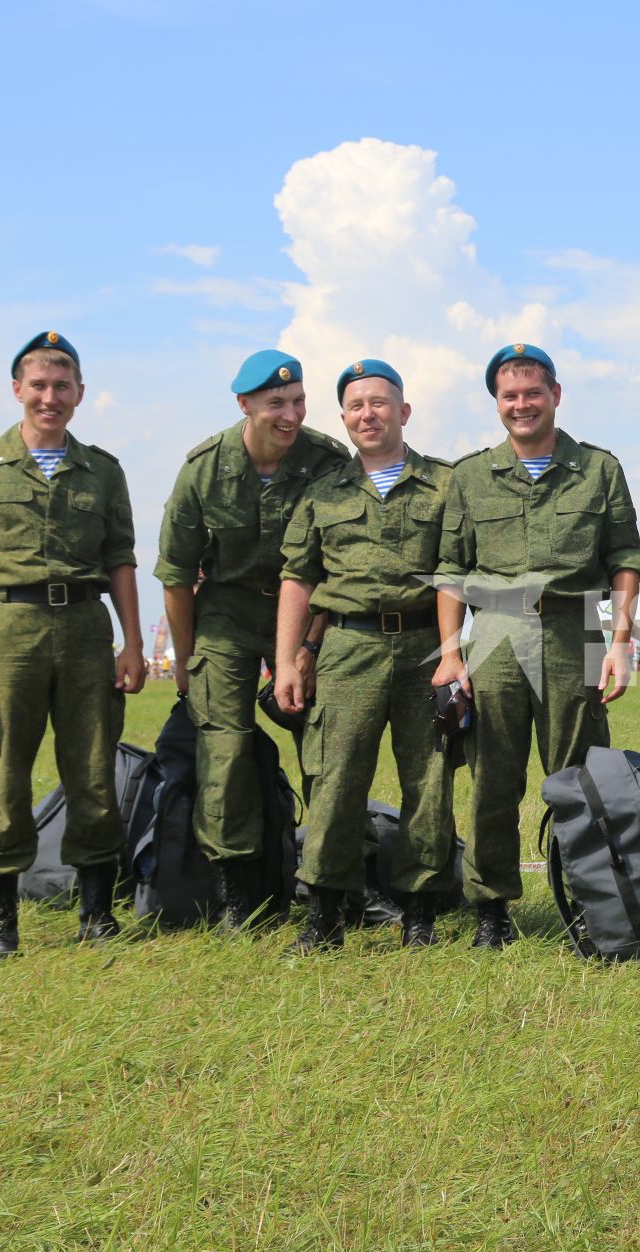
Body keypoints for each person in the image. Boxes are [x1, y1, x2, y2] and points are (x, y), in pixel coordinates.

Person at [0, 331, 147, 959]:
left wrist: (133, 643)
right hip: (6, 631)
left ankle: (96, 914)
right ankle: (1, 923)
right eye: (39, 386)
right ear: (18, 390)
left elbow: (122, 561)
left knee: (94, 771)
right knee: (5, 772)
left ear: (80, 393)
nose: (50, 397)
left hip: (84, 629)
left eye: (63, 386)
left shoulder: (102, 470)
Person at [435, 343, 640, 948]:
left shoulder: (600, 469)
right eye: (510, 396)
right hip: (495, 634)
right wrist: (451, 654)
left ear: (556, 394)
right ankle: (490, 910)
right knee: (493, 780)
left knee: (579, 778)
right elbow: (451, 570)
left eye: (533, 393)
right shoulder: (471, 476)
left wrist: (623, 640)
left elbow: (625, 561)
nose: (522, 405)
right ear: (497, 404)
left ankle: (587, 901)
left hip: (573, 628)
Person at [155, 349, 348, 929]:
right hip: (225, 618)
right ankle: (236, 893)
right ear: (244, 405)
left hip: (310, 615)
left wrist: (307, 649)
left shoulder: (327, 461)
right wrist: (188, 660)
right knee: (226, 748)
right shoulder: (203, 469)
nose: (290, 415)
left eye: (297, 401)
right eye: (275, 405)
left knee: (325, 740)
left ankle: (330, 879)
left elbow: (340, 565)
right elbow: (175, 574)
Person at [275, 359, 456, 951]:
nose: (367, 414)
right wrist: (286, 660)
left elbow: (460, 574)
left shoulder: (447, 485)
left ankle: (420, 910)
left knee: (428, 778)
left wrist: (453, 653)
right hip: (348, 647)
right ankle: (324, 909)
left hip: (425, 646)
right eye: (355, 406)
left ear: (403, 411)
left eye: (379, 403)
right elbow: (298, 580)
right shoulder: (322, 493)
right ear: (344, 419)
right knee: (335, 777)